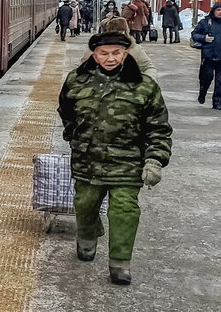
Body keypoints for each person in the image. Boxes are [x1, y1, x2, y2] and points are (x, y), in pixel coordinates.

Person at [58, 31, 172, 286]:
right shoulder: (76, 81)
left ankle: (120, 263)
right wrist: (73, 136)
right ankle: (87, 237)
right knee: (85, 205)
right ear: (94, 55)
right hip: (88, 163)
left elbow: (159, 129)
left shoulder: (145, 86)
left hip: (128, 163)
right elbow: (66, 110)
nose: (110, 58)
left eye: (116, 53)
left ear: (126, 53)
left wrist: (154, 160)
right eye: (104, 53)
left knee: (124, 211)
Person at [190, 2, 221, 110]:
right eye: (218, 10)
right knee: (206, 78)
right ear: (213, 11)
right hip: (208, 55)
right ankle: (202, 92)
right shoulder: (205, 22)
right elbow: (194, 34)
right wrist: (204, 38)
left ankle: (217, 102)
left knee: (220, 81)